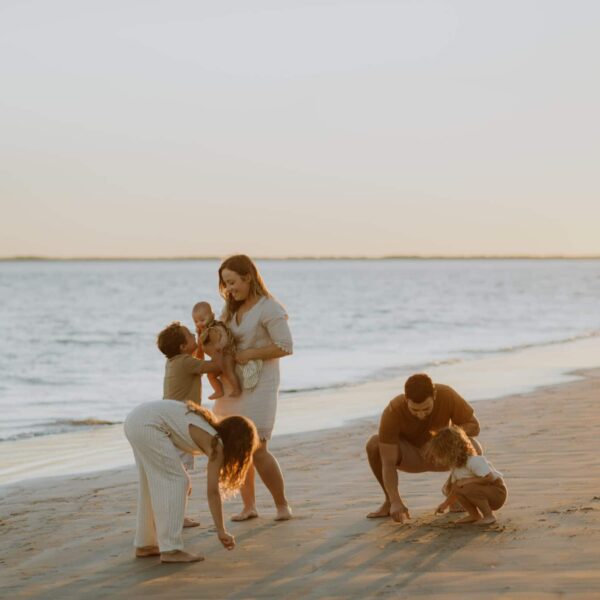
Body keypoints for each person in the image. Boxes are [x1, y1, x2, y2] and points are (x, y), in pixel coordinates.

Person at [124, 399, 259, 563]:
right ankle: (171, 549)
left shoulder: (208, 427)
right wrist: (221, 531)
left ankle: (145, 545)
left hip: (136, 419)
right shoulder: (216, 444)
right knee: (178, 481)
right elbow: (213, 492)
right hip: (146, 424)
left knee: (150, 484)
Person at [213, 254, 293, 522]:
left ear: (248, 277)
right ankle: (249, 507)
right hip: (232, 387)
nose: (229, 288)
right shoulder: (230, 309)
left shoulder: (268, 308)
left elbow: (285, 346)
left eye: (232, 282)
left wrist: (250, 353)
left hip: (260, 386)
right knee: (237, 446)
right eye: (225, 284)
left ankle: (282, 505)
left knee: (258, 448)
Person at [365, 373, 482, 523]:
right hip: (409, 456)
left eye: (426, 409)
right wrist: (395, 500)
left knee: (474, 446)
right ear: (406, 399)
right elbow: (388, 462)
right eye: (414, 410)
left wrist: (442, 436)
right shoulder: (393, 410)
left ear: (434, 395)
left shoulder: (446, 394)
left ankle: (454, 491)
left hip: (440, 453)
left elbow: (474, 426)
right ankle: (389, 501)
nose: (421, 415)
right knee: (374, 444)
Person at [157, 321, 223, 527]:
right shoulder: (186, 362)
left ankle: (176, 514)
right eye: (191, 336)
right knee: (180, 477)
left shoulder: (175, 361)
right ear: (183, 347)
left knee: (178, 475)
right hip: (179, 423)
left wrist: (200, 342)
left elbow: (197, 362)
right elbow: (215, 366)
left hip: (169, 421)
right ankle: (176, 516)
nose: (196, 337)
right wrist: (220, 349)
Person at [428, 426, 507, 525]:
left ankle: (489, 516)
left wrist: (467, 481)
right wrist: (445, 504)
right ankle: (474, 515)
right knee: (458, 487)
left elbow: (489, 478)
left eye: (441, 454)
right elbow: (455, 489)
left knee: (466, 487)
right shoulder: (456, 467)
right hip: (481, 491)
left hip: (497, 493)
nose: (438, 458)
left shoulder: (474, 460)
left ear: (451, 451)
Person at [192, 301, 251, 399]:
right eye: (196, 321)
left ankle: (237, 389)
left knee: (228, 371)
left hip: (226, 355)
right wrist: (197, 361)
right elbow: (200, 351)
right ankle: (219, 391)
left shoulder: (216, 327)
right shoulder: (202, 334)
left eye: (202, 320)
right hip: (216, 361)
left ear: (212, 315)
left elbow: (224, 336)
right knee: (210, 375)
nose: (199, 323)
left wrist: (221, 344)